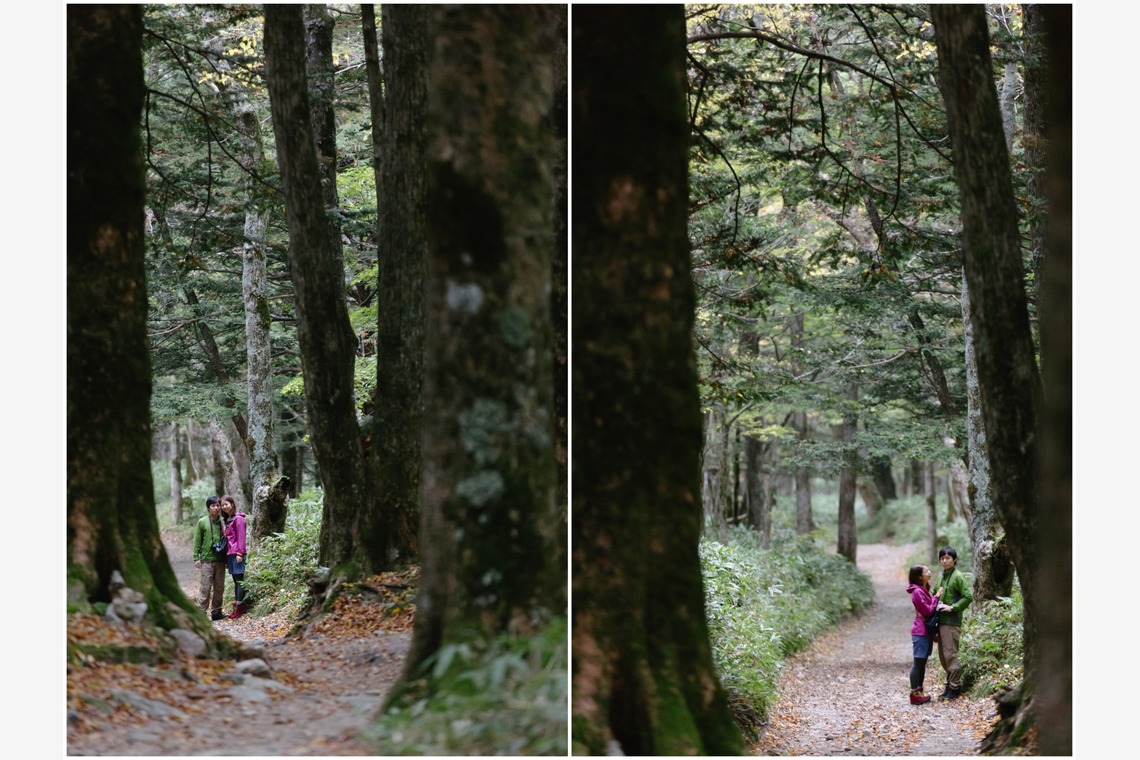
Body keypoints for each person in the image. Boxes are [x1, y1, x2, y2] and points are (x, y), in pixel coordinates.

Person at [934, 546, 974, 700]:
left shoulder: (957, 576)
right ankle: (949, 685)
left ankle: (955, 687)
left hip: (951, 622)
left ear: (954, 559)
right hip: (941, 622)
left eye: (948, 558)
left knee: (951, 655)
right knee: (944, 657)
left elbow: (968, 596)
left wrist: (953, 607)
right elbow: (934, 594)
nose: (944, 561)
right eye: (942, 558)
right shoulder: (941, 576)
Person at [906, 564, 949, 705]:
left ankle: (919, 692)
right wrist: (937, 596)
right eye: (926, 571)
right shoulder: (917, 592)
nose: (929, 572)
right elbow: (928, 611)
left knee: (922, 663)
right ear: (919, 576)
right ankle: (914, 694)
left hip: (925, 632)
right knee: (918, 662)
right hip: (920, 632)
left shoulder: (923, 589)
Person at [192, 496, 227, 621]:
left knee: (219, 588)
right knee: (205, 588)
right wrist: (196, 557)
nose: (216, 508)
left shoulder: (224, 522)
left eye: (218, 505)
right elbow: (197, 540)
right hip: (207, 559)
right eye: (213, 506)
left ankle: (216, 612)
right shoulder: (202, 522)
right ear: (208, 508)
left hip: (221, 560)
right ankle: (201, 613)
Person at [220, 494, 249, 619]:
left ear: (232, 504)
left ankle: (240, 606)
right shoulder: (228, 520)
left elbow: (241, 537)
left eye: (226, 504)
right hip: (230, 554)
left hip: (237, 553)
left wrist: (240, 553)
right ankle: (238, 603)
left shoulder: (239, 519)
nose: (224, 507)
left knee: (239, 580)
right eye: (222, 505)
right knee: (235, 580)